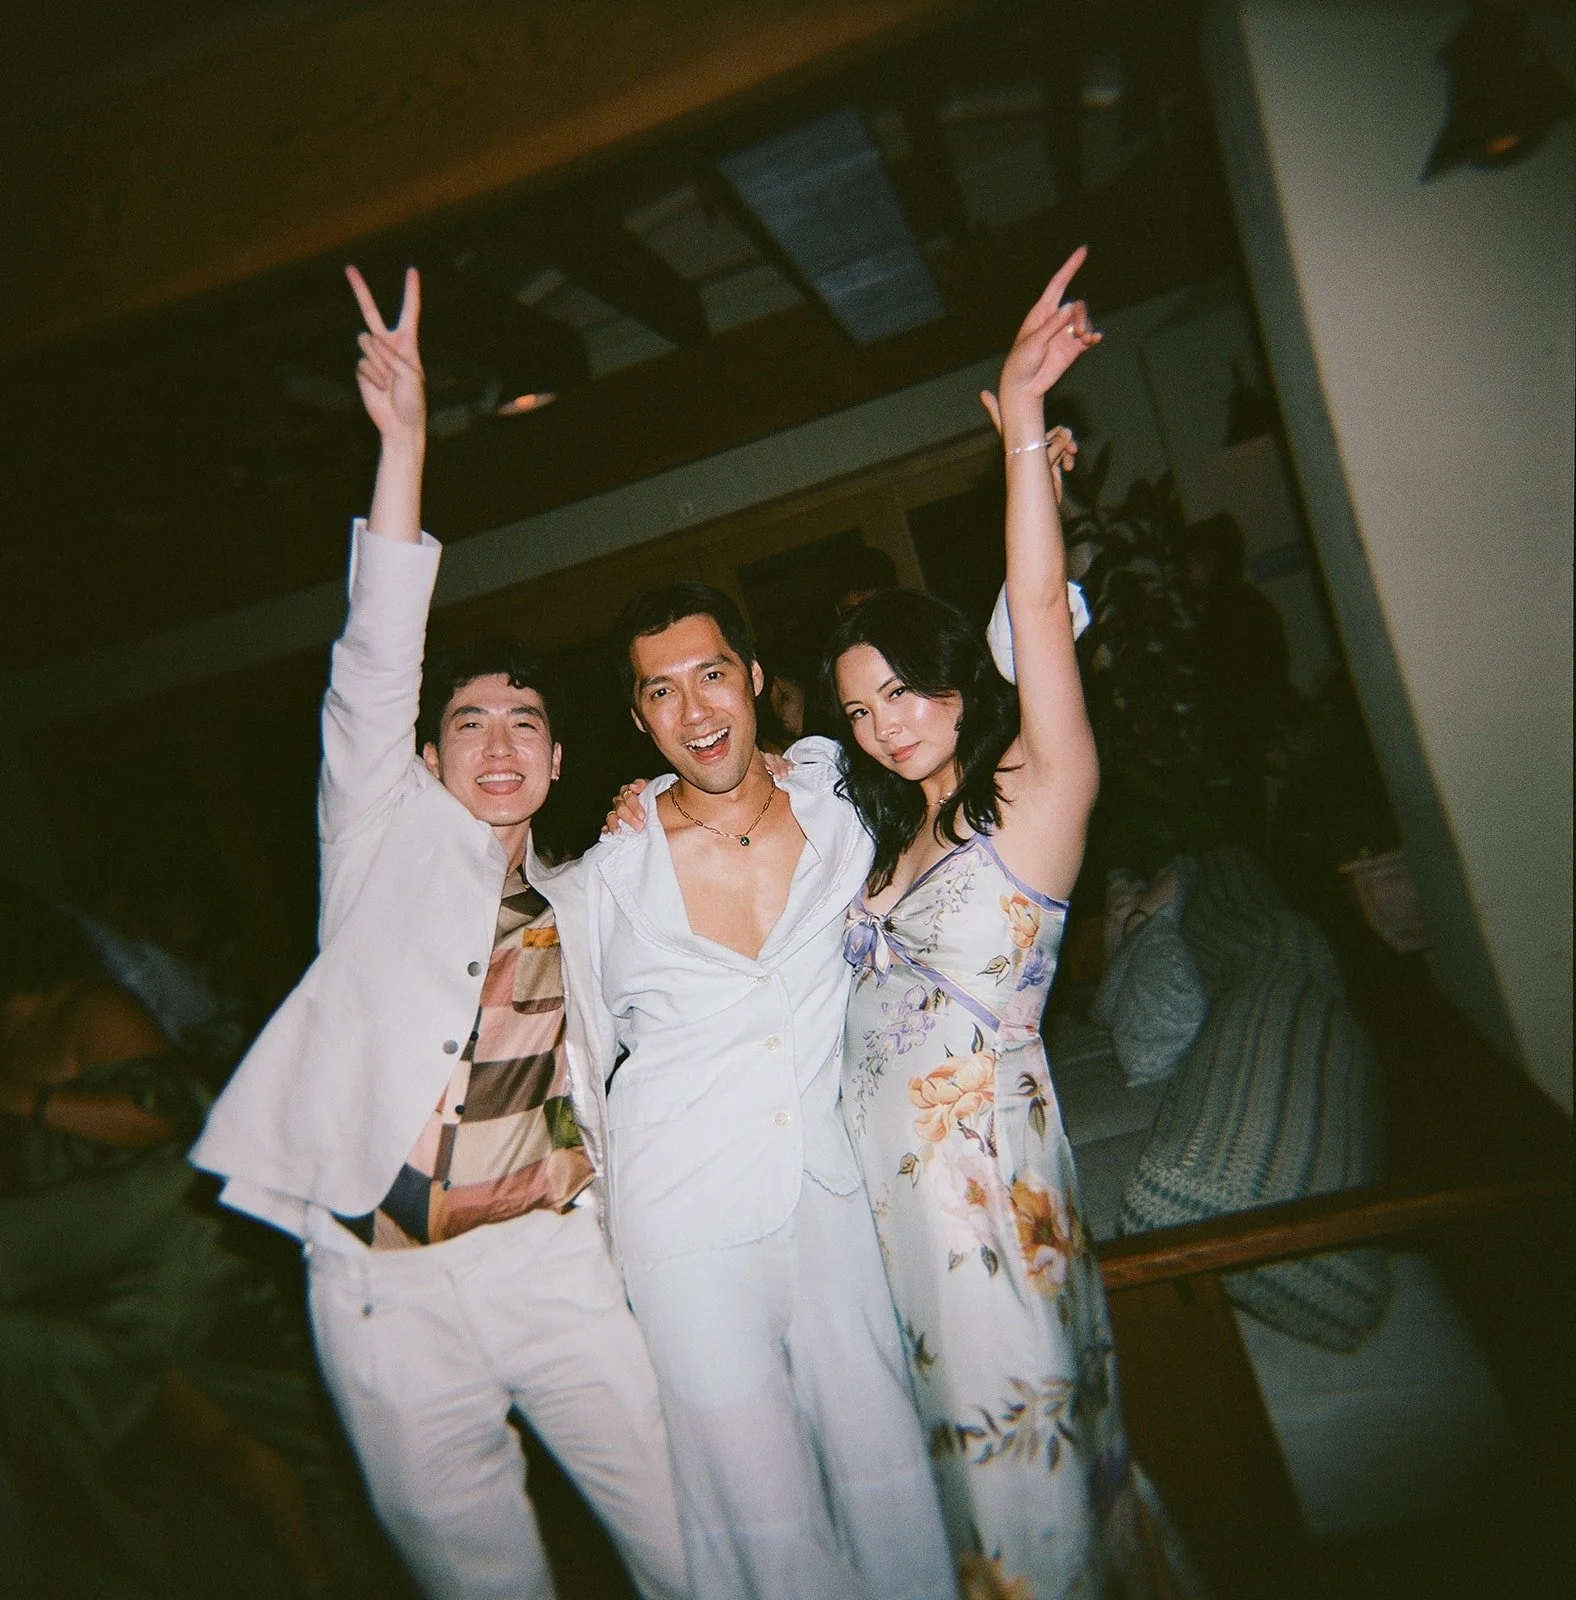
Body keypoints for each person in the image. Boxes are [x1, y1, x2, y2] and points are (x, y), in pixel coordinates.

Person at [189, 266, 687, 1600]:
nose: (500, 739)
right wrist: (405, 443)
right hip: (382, 1296)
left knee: (700, 1550)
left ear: (560, 758)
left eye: (526, 720)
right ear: (424, 755)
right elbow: (373, 648)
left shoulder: (590, 889)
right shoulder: (376, 837)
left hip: (554, 1268)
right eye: (470, 720)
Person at [825, 249, 1190, 1597]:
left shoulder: (1034, 799)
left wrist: (1023, 431)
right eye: (860, 707)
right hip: (887, 1210)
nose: (886, 720)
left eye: (906, 687)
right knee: (960, 1498)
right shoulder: (891, 836)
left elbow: (1038, 609)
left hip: (985, 1195)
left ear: (956, 682)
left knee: (1022, 1482)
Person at [574, 579, 956, 1600]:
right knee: (756, 1510)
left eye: (711, 675)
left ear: (754, 680)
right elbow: (571, 1067)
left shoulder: (843, 800)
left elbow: (981, 707)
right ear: (637, 718)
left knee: (889, 1475)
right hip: (683, 1224)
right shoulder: (609, 876)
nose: (695, 711)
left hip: (831, 1194)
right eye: (662, 692)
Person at [0, 879, 330, 1597]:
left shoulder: (87, 1007)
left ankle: (319, 1580)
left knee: (240, 1436)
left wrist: (21, 1098)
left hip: (167, 1253)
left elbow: (161, 1116)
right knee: (211, 1442)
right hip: (81, 1288)